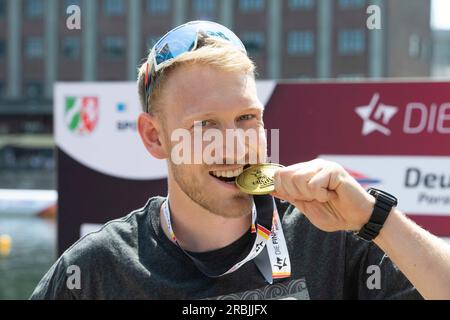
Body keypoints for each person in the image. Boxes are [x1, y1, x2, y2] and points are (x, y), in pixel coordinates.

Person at [31, 21, 450, 300]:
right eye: (206, 125)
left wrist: (376, 219)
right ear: (154, 137)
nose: (233, 146)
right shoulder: (98, 268)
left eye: (246, 118)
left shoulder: (330, 233)